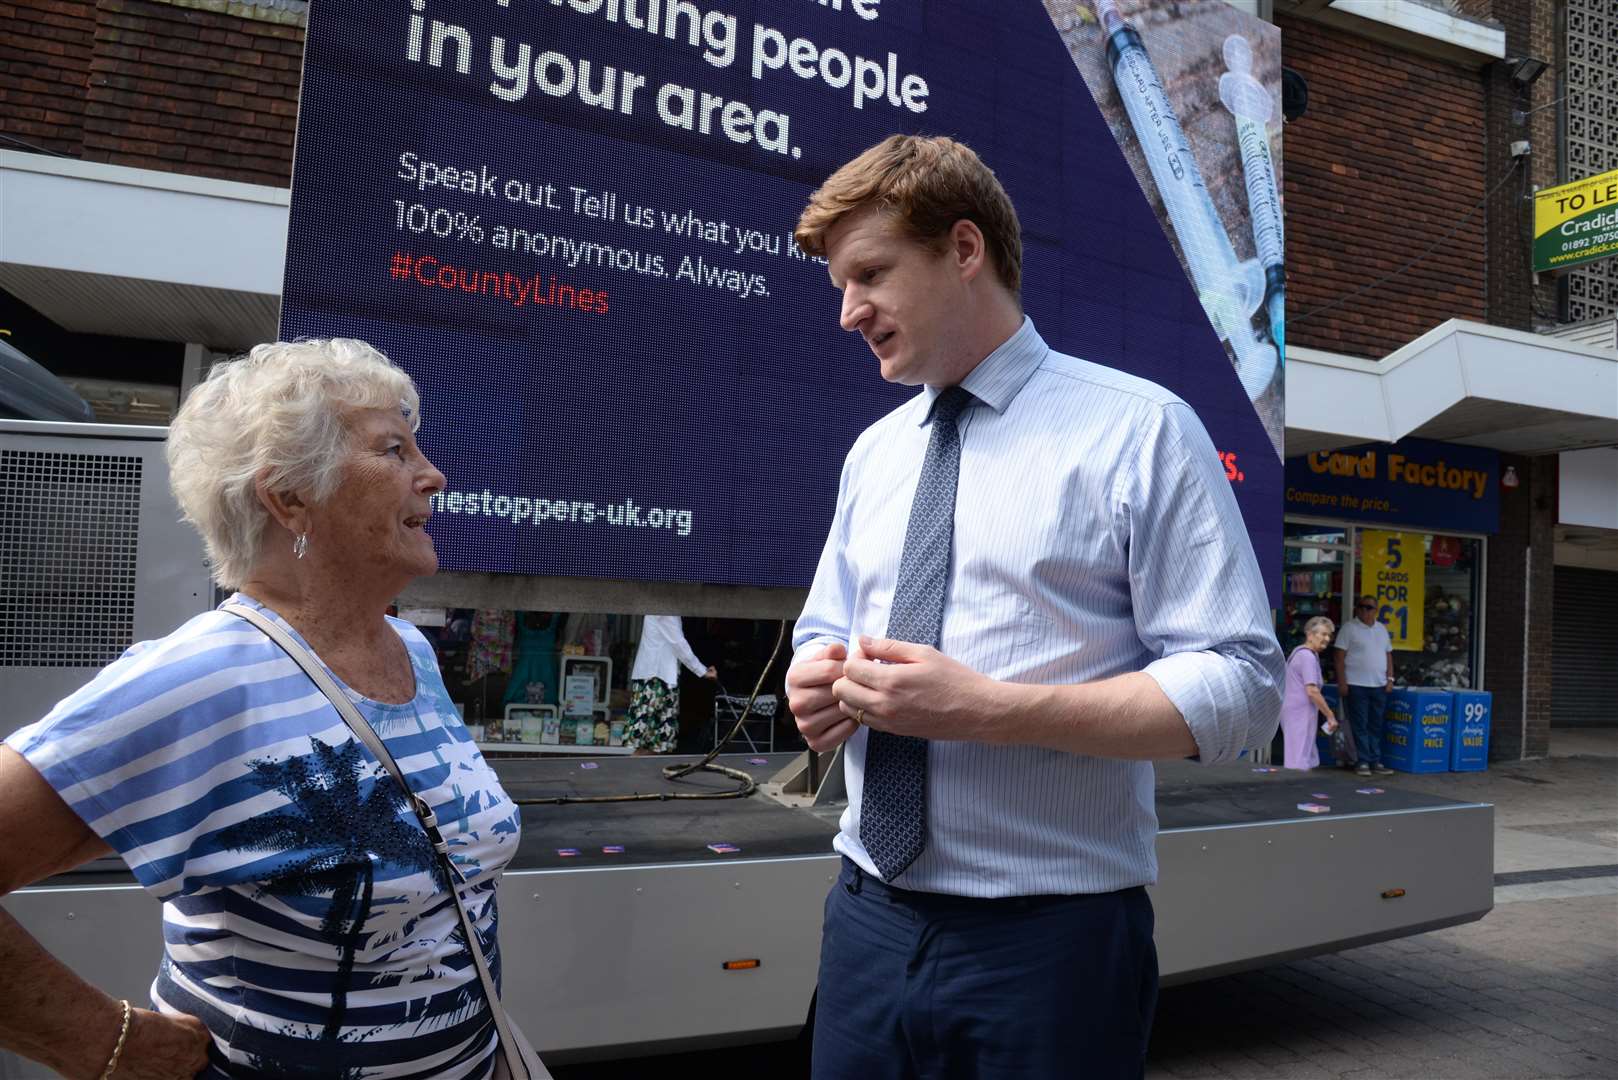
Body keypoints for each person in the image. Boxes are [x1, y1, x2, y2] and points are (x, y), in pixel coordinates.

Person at [784, 134, 1283, 1078]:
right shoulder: (875, 453)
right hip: (866, 923)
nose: (849, 312)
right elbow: (824, 625)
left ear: (964, 250)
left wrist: (991, 711)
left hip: (1051, 945)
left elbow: (1245, 685)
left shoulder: (1142, 432)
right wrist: (817, 680)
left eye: (871, 275)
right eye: (841, 286)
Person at [0, 339, 525, 1078]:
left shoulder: (411, 650)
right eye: (394, 451)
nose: (432, 477)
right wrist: (105, 1044)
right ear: (289, 498)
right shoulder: (204, 678)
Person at [624, 614, 717, 754]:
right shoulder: (664, 609)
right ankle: (635, 775)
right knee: (646, 743)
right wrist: (702, 671)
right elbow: (678, 643)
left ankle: (644, 774)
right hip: (655, 680)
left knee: (656, 744)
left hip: (660, 678)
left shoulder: (665, 608)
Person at [1335, 594, 1396, 777]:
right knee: (1359, 724)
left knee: (1376, 724)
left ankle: (1374, 760)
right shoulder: (1349, 628)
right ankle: (1362, 760)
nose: (1364, 610)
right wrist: (1342, 682)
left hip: (1378, 685)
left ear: (1375, 610)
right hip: (1356, 684)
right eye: (1361, 607)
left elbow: (1388, 655)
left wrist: (1390, 678)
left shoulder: (1381, 629)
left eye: (1369, 607)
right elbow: (1339, 657)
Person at [1281, 617, 1339, 769]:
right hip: (1300, 713)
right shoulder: (1307, 656)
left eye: (1329, 635)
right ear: (1310, 634)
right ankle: (1294, 790)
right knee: (1298, 760)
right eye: (1323, 634)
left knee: (1300, 755)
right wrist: (1330, 715)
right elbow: (1312, 690)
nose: (1327, 639)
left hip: (1297, 712)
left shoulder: (1303, 653)